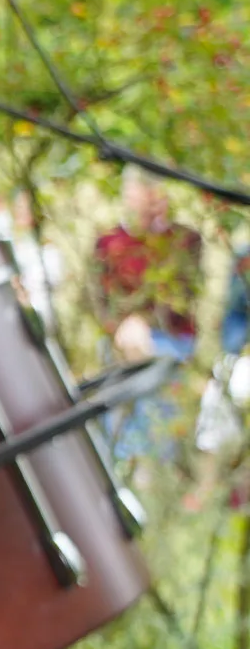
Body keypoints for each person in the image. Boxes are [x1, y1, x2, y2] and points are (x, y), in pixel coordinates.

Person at [95, 169, 203, 461]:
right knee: (115, 382)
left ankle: (153, 466)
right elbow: (100, 298)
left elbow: (182, 300)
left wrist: (143, 324)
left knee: (156, 385)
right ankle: (119, 460)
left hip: (170, 339)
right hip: (119, 339)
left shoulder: (184, 240)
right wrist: (121, 328)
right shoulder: (108, 242)